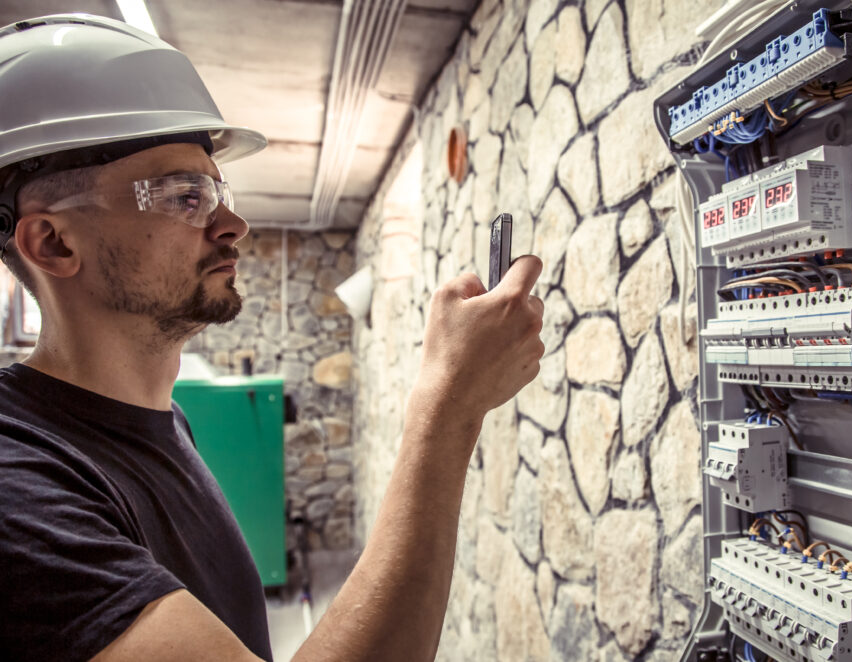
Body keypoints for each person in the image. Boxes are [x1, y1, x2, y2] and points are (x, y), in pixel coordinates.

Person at [0, 14, 544, 662]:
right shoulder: (18, 488)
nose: (233, 223)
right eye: (183, 195)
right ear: (54, 243)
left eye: (216, 190)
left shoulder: (165, 423)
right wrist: (448, 407)